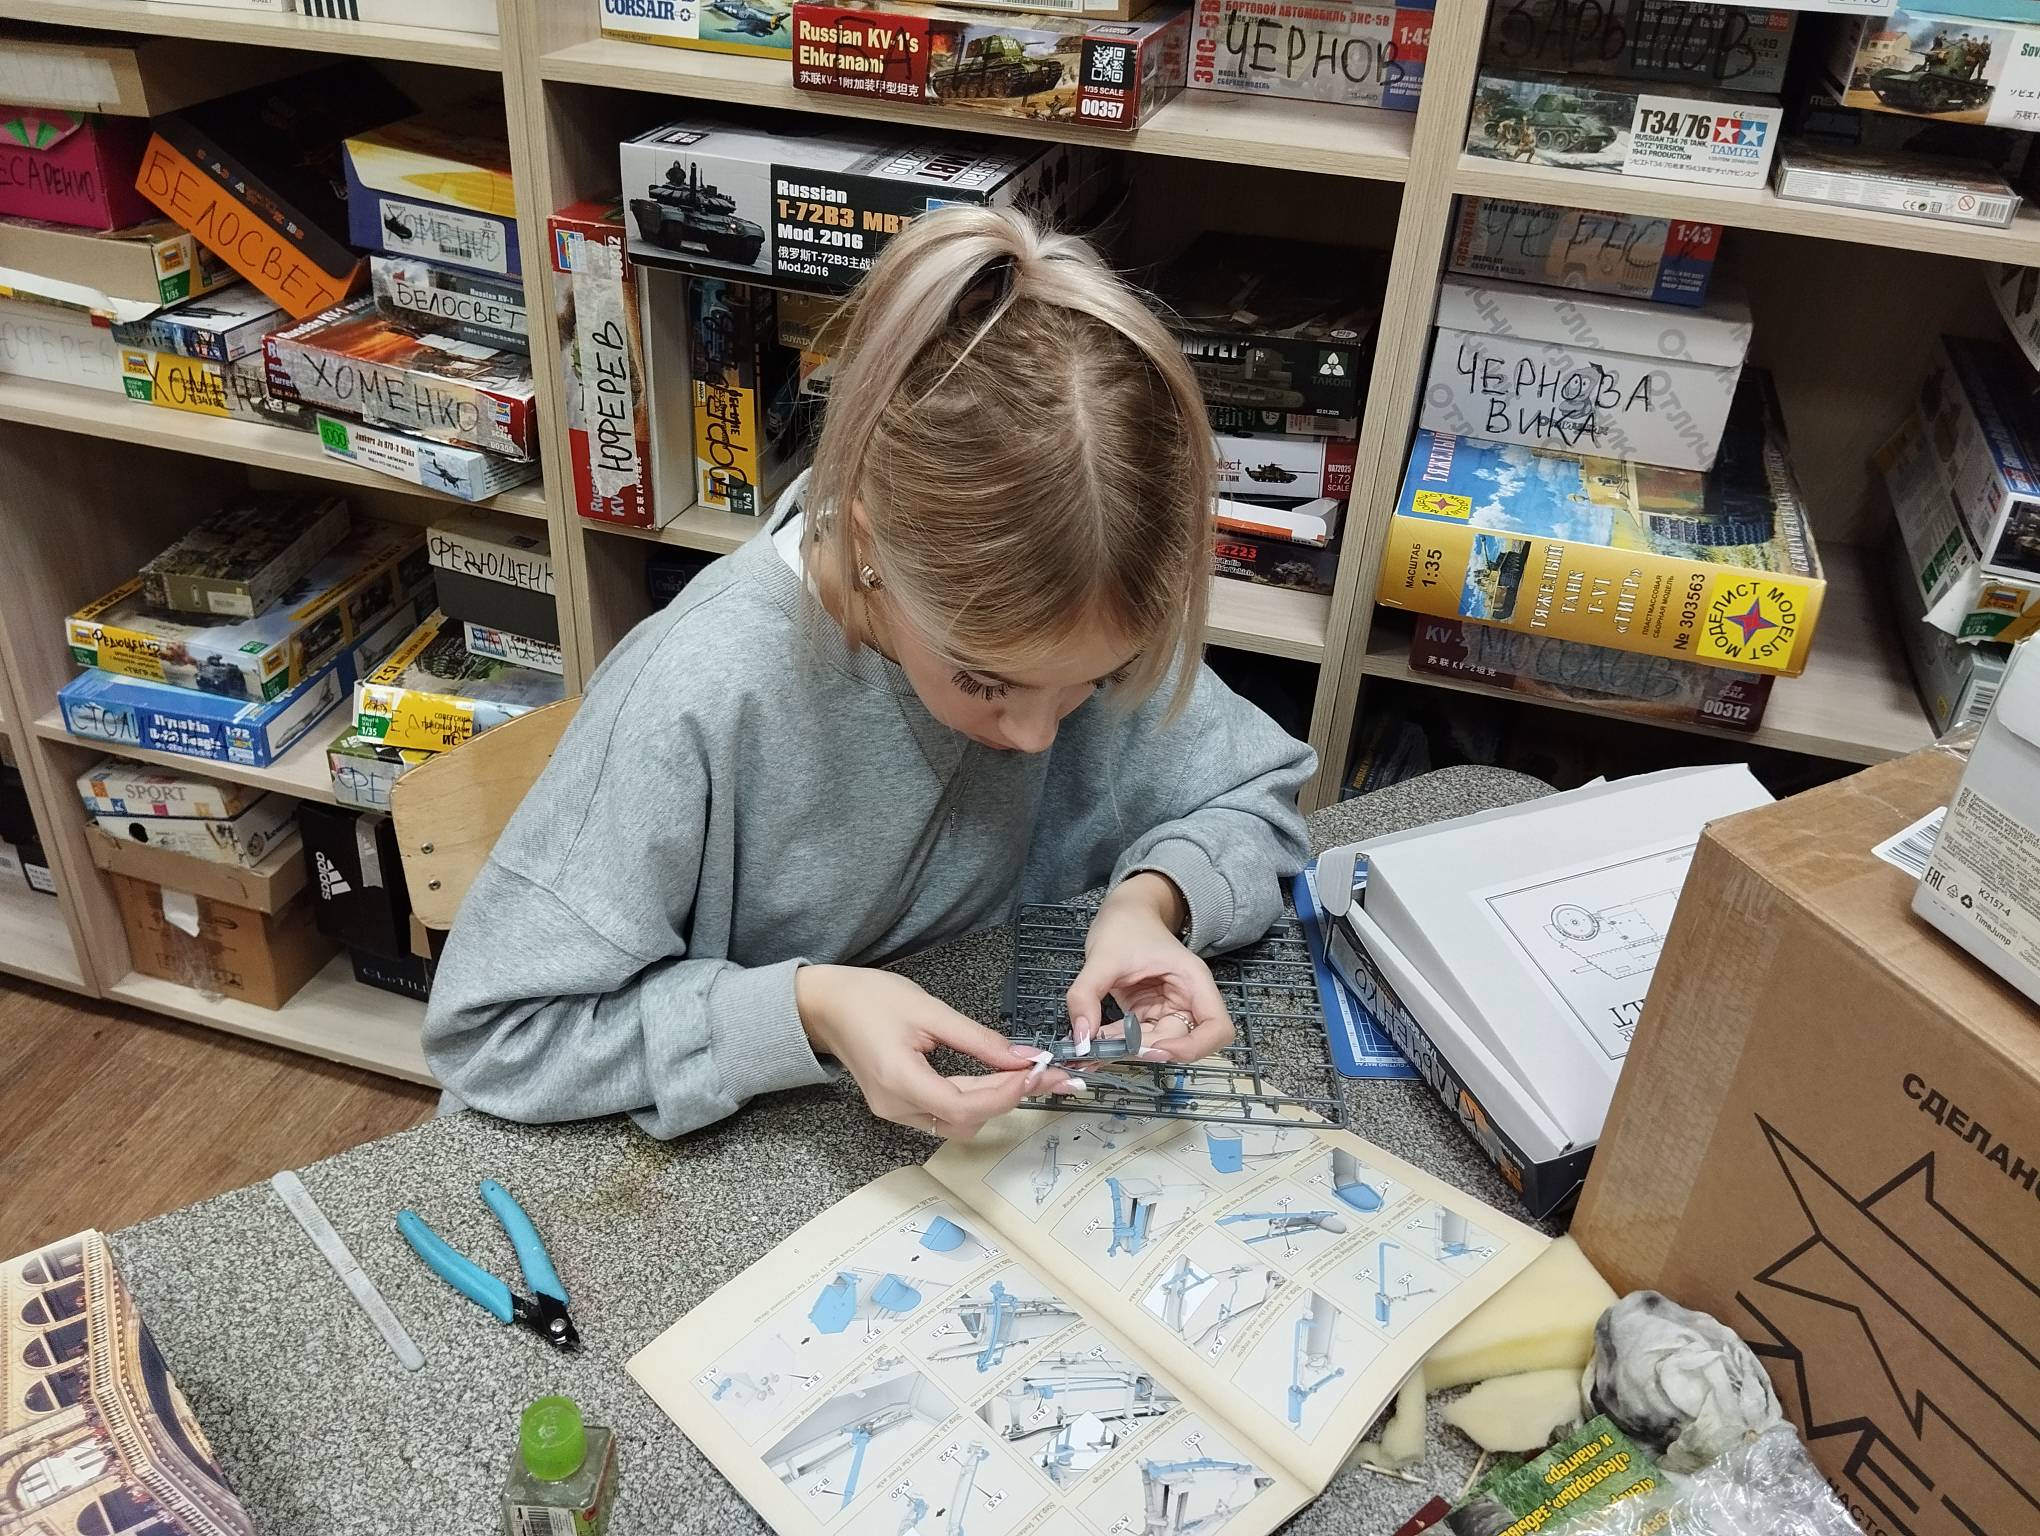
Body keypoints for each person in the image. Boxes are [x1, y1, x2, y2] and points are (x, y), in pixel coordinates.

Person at [423, 205, 1316, 1143]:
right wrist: (806, 1009)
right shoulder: (699, 692)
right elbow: (495, 1040)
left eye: (1097, 679)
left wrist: (1152, 901)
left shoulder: (1070, 606)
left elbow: (1258, 792)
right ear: (868, 549)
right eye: (985, 682)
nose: (1036, 736)